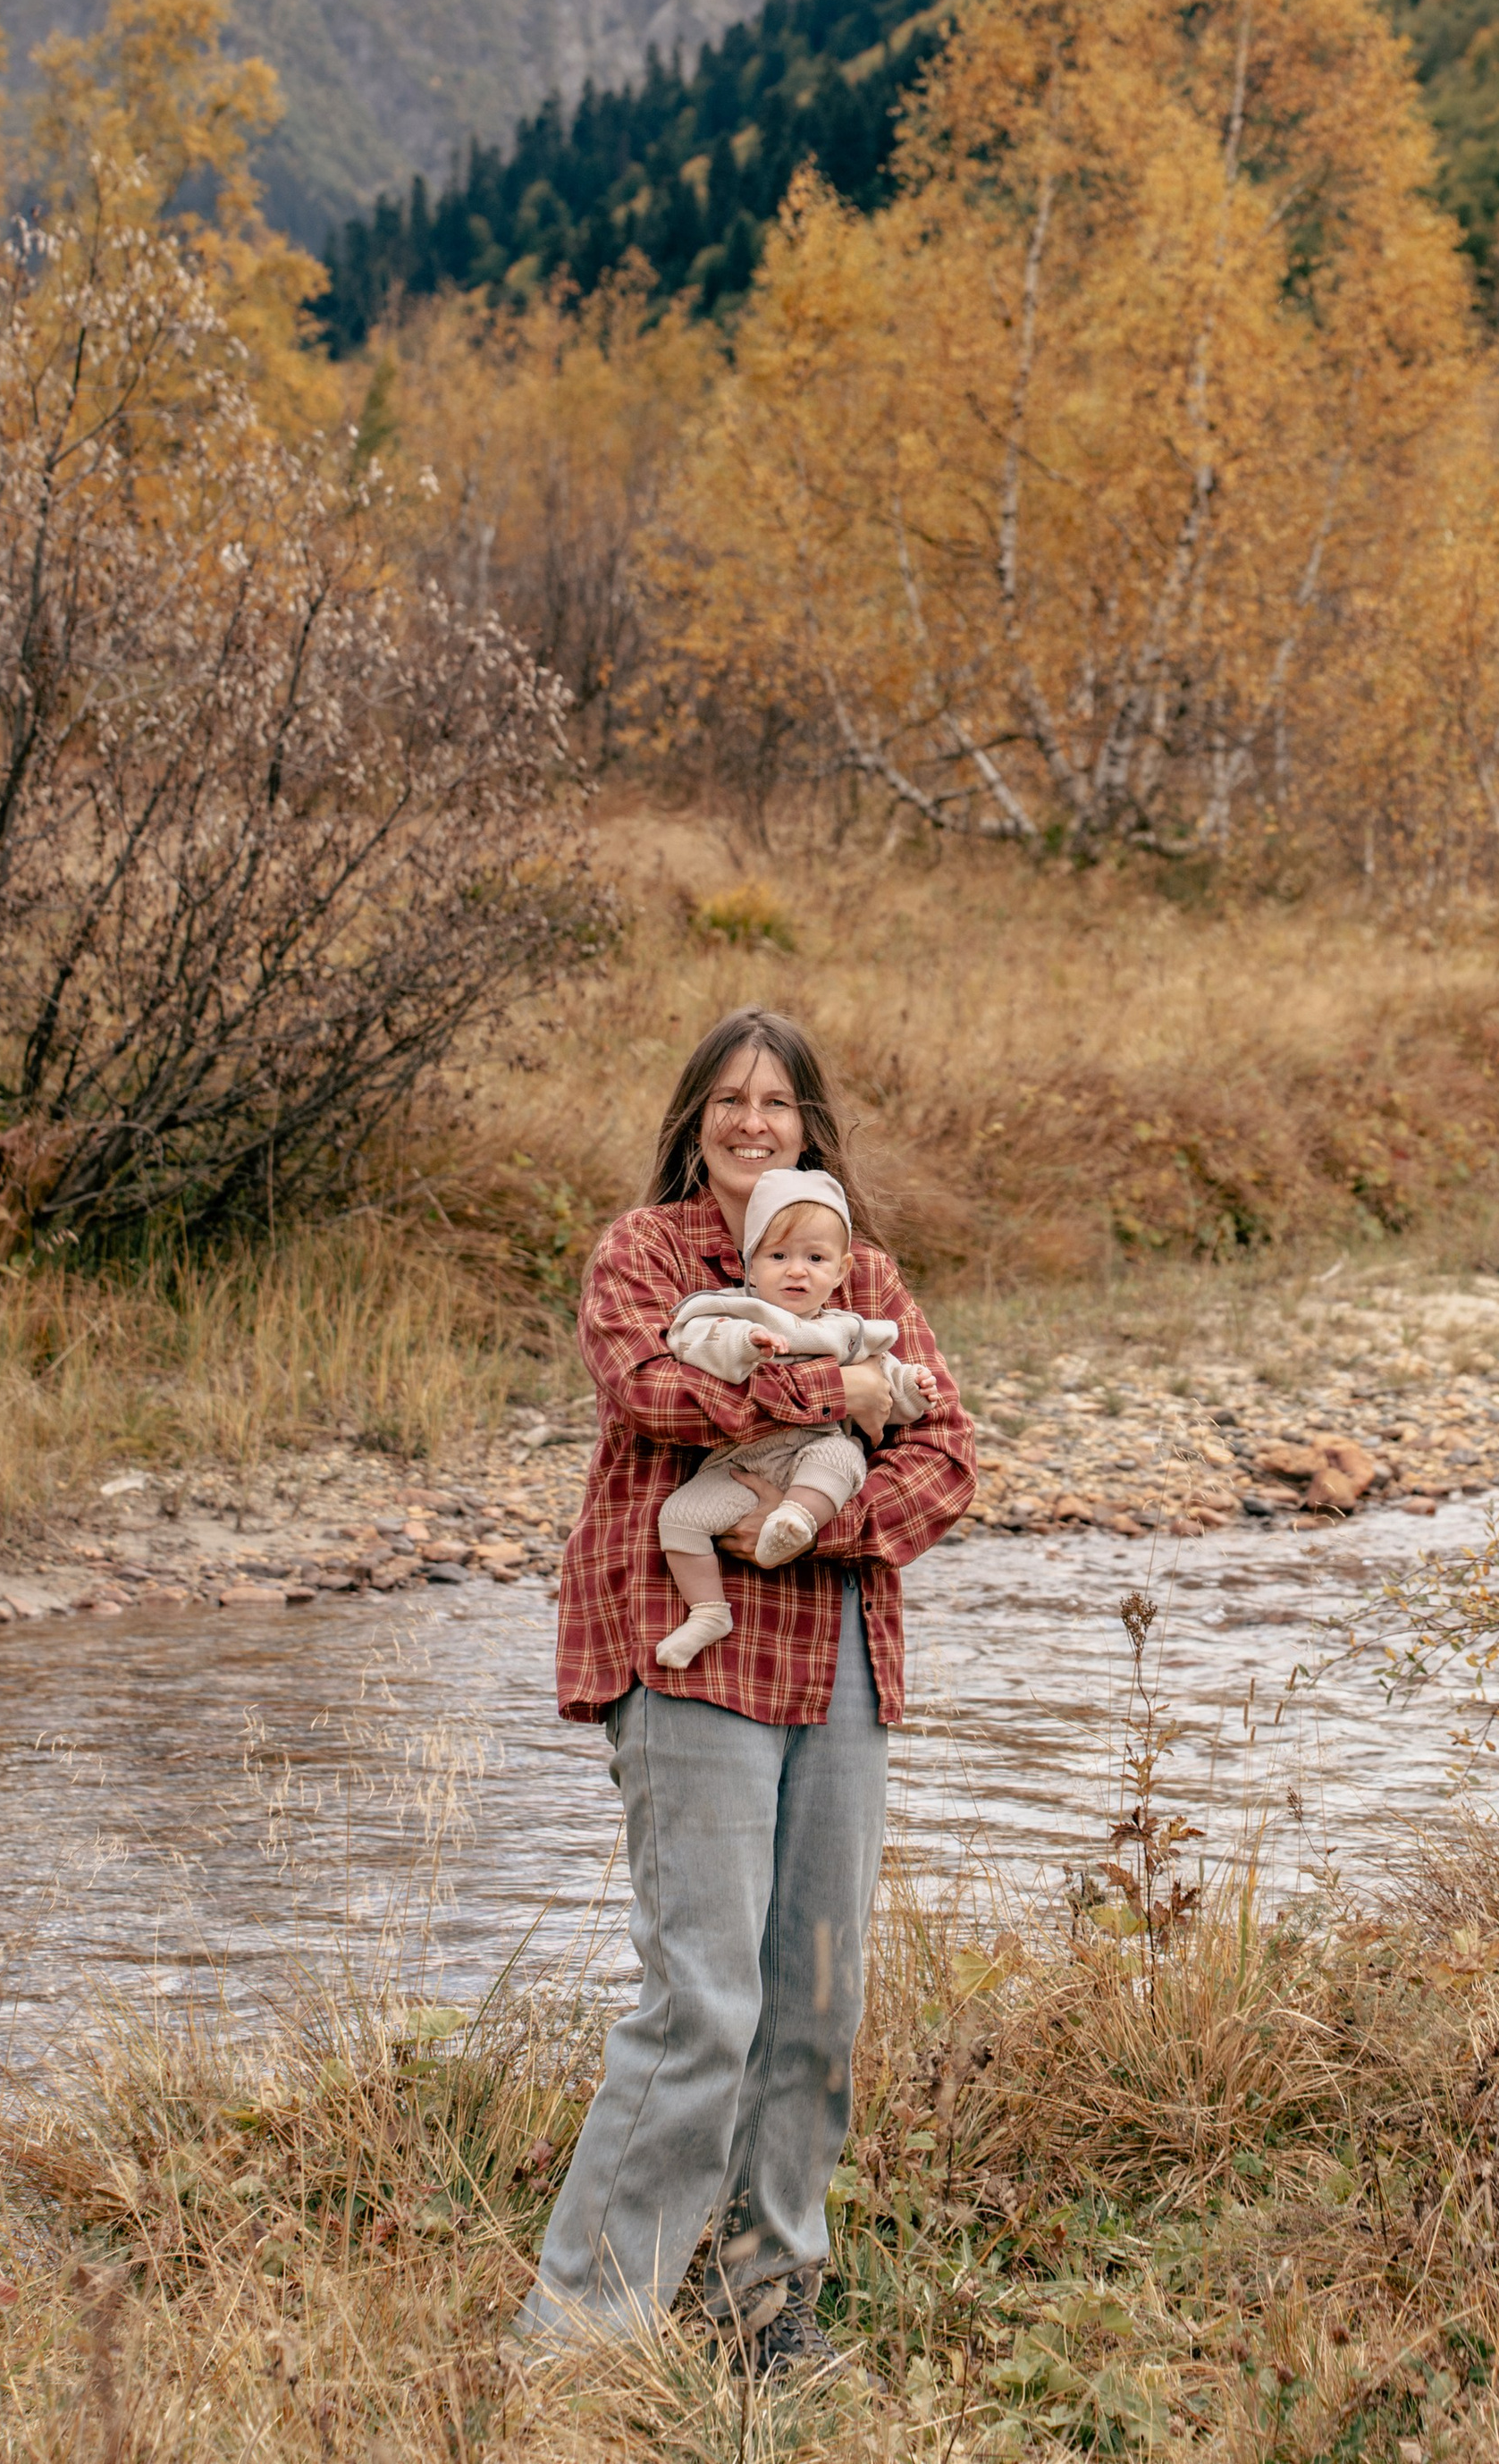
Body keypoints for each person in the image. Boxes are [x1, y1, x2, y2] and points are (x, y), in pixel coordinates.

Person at [518, 1007, 976, 2377]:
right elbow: (651, 1387)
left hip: (837, 1646)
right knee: (704, 1999)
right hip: (688, 1644)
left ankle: (762, 2310)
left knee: (814, 1998)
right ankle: (580, 2340)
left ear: (809, 1124)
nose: (751, 1121)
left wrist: (814, 1518)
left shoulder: (868, 1263)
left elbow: (946, 1451)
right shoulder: (646, 1252)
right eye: (727, 1098)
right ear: (694, 1117)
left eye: (777, 1101)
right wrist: (840, 1384)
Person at [653, 1166, 938, 1661]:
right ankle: (708, 1611)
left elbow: (889, 1395)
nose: (796, 1270)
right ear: (751, 1265)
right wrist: (747, 1344)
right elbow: (693, 1341)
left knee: (840, 1458)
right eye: (778, 1256)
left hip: (814, 1450)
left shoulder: (850, 1331)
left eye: (815, 1258)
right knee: (679, 1517)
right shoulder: (737, 1312)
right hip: (744, 1461)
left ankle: (798, 1519)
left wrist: (914, 1388)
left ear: (841, 1271)